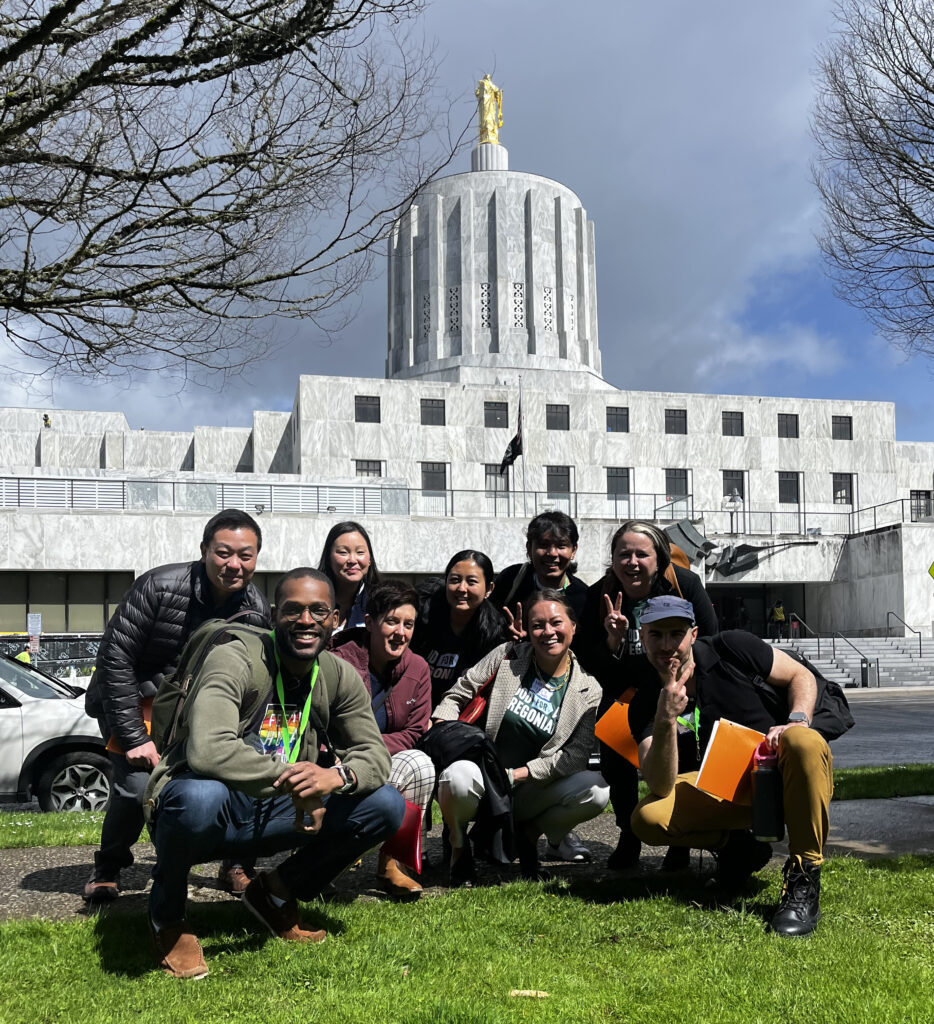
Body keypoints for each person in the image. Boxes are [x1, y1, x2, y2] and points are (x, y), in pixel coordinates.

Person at [144, 568, 404, 979]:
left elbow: (374, 755)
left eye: (318, 611)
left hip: (278, 808)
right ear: (272, 614)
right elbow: (208, 749)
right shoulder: (235, 657)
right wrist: (294, 781)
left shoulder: (337, 675)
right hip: (215, 805)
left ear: (335, 619)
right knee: (197, 799)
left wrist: (333, 779)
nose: (306, 621)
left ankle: (275, 891)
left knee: (385, 805)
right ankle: (168, 917)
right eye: (293, 610)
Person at [83, 509, 270, 903]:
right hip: (135, 700)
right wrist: (133, 736)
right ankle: (110, 866)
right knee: (135, 789)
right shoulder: (159, 586)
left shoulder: (255, 606)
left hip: (198, 711)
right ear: (204, 550)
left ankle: (236, 865)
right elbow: (115, 658)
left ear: (256, 558)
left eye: (245, 555)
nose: (233, 564)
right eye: (223, 552)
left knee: (245, 775)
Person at [627, 596, 834, 937]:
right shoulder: (645, 699)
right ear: (642, 636)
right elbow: (660, 785)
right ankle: (739, 847)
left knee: (803, 741)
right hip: (726, 791)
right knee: (648, 818)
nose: (667, 645)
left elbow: (801, 675)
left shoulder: (731, 647)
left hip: (782, 777)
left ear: (693, 634)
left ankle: (803, 877)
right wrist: (665, 719)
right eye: (656, 635)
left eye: (675, 633)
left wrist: (796, 719)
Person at [432, 590, 609, 886]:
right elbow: (459, 692)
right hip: (481, 776)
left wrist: (516, 775)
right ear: (527, 629)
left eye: (556, 622)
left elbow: (575, 756)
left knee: (596, 790)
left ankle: (528, 834)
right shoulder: (507, 656)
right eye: (537, 624)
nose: (547, 632)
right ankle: (458, 844)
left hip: (528, 787)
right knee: (457, 778)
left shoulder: (588, 689)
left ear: (573, 626)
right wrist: (443, 730)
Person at [577, 520, 718, 872]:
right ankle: (629, 832)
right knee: (615, 762)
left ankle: (679, 840)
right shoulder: (599, 596)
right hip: (625, 692)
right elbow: (588, 659)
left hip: (676, 689)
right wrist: (612, 641)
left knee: (679, 760)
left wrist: (681, 685)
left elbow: (710, 640)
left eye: (642, 554)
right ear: (613, 559)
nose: (632, 562)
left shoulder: (684, 585)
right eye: (624, 554)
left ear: (660, 559)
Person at [329, 580, 434, 899]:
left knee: (421, 765)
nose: (400, 632)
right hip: (334, 761)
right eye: (392, 621)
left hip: (376, 759)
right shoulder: (336, 660)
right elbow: (320, 721)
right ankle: (323, 863)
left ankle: (391, 866)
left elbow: (414, 732)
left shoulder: (417, 668)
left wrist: (368, 751)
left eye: (408, 624)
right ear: (371, 622)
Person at [410, 549, 509, 709]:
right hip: (412, 707)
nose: (462, 588)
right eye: (455, 580)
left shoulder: (494, 632)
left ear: (489, 589)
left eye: (472, 582)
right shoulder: (422, 612)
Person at [491, 512, 588, 629]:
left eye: (561, 546)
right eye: (543, 545)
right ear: (529, 548)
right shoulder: (510, 580)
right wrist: (506, 635)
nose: (552, 553)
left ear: (573, 550)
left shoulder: (584, 597)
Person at [317, 520, 381, 634]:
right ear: (328, 558)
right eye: (343, 552)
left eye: (360, 552)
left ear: (370, 559)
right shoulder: (313, 598)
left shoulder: (379, 603)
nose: (352, 560)